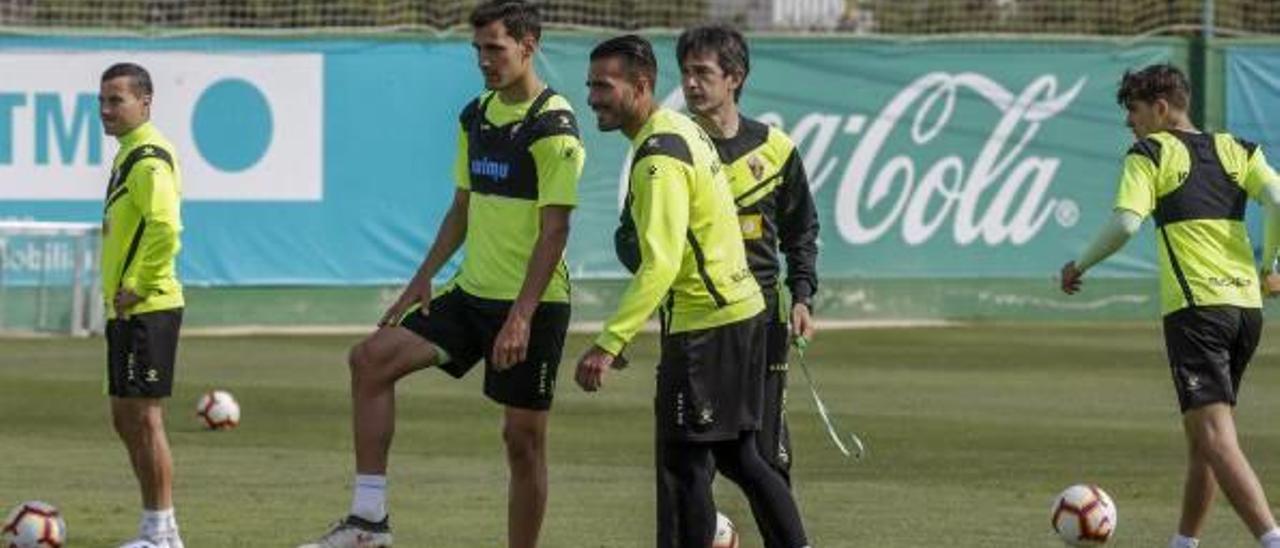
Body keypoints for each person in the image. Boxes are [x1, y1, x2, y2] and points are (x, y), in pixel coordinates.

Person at [300, 1, 584, 546]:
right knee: (369, 360)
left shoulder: (554, 129)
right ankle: (368, 522)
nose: (483, 60)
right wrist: (420, 278)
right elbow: (462, 208)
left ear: (528, 46)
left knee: (521, 440)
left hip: (533, 306)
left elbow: (555, 233)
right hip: (470, 294)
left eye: (495, 48)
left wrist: (521, 316)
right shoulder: (474, 116)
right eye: (477, 49)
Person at [576, 34, 809, 548]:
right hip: (738, 314)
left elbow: (660, 264)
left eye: (603, 86)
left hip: (709, 326)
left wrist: (608, 343)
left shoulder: (659, 155)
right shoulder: (678, 128)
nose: (592, 97)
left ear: (640, 86)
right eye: (590, 85)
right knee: (741, 456)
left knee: (685, 465)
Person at [1060, 63, 1280, 548]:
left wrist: (1080, 264)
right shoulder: (1237, 149)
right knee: (1204, 439)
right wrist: (1272, 264)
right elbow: (1278, 200)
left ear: (1161, 109)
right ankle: (1184, 543)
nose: (1129, 123)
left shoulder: (1149, 153)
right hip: (1245, 310)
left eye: (1134, 112)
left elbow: (1124, 224)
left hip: (1197, 310)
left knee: (1217, 440)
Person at [676, 23, 820, 487]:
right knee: (694, 457)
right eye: (685, 73)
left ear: (734, 77)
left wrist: (801, 296)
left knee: (765, 452)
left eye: (702, 72)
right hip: (695, 320)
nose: (691, 83)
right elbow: (629, 237)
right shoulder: (671, 147)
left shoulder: (776, 150)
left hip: (763, 320)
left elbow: (801, 232)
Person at [99, 62, 187, 548]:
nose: (107, 110)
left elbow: (166, 227)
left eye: (117, 100)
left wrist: (139, 283)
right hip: (126, 310)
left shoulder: (149, 157)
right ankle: (157, 527)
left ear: (145, 102)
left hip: (148, 305)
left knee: (145, 416)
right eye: (103, 101)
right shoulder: (127, 154)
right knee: (123, 415)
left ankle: (161, 532)